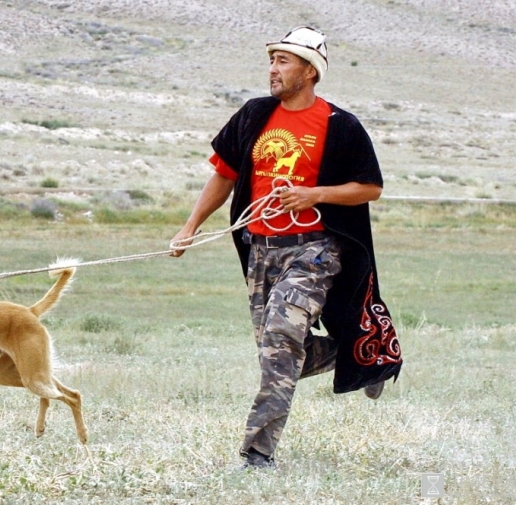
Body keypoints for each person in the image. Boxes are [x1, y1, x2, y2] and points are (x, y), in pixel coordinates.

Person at [170, 26, 402, 469]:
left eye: (283, 61)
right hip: (261, 249)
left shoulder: (340, 125)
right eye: (272, 61)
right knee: (279, 352)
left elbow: (370, 188)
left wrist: (314, 194)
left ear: (309, 71)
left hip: (314, 250)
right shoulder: (254, 114)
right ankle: (362, 357)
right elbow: (224, 174)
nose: (273, 69)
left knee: (279, 338)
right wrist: (190, 227)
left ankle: (257, 455)